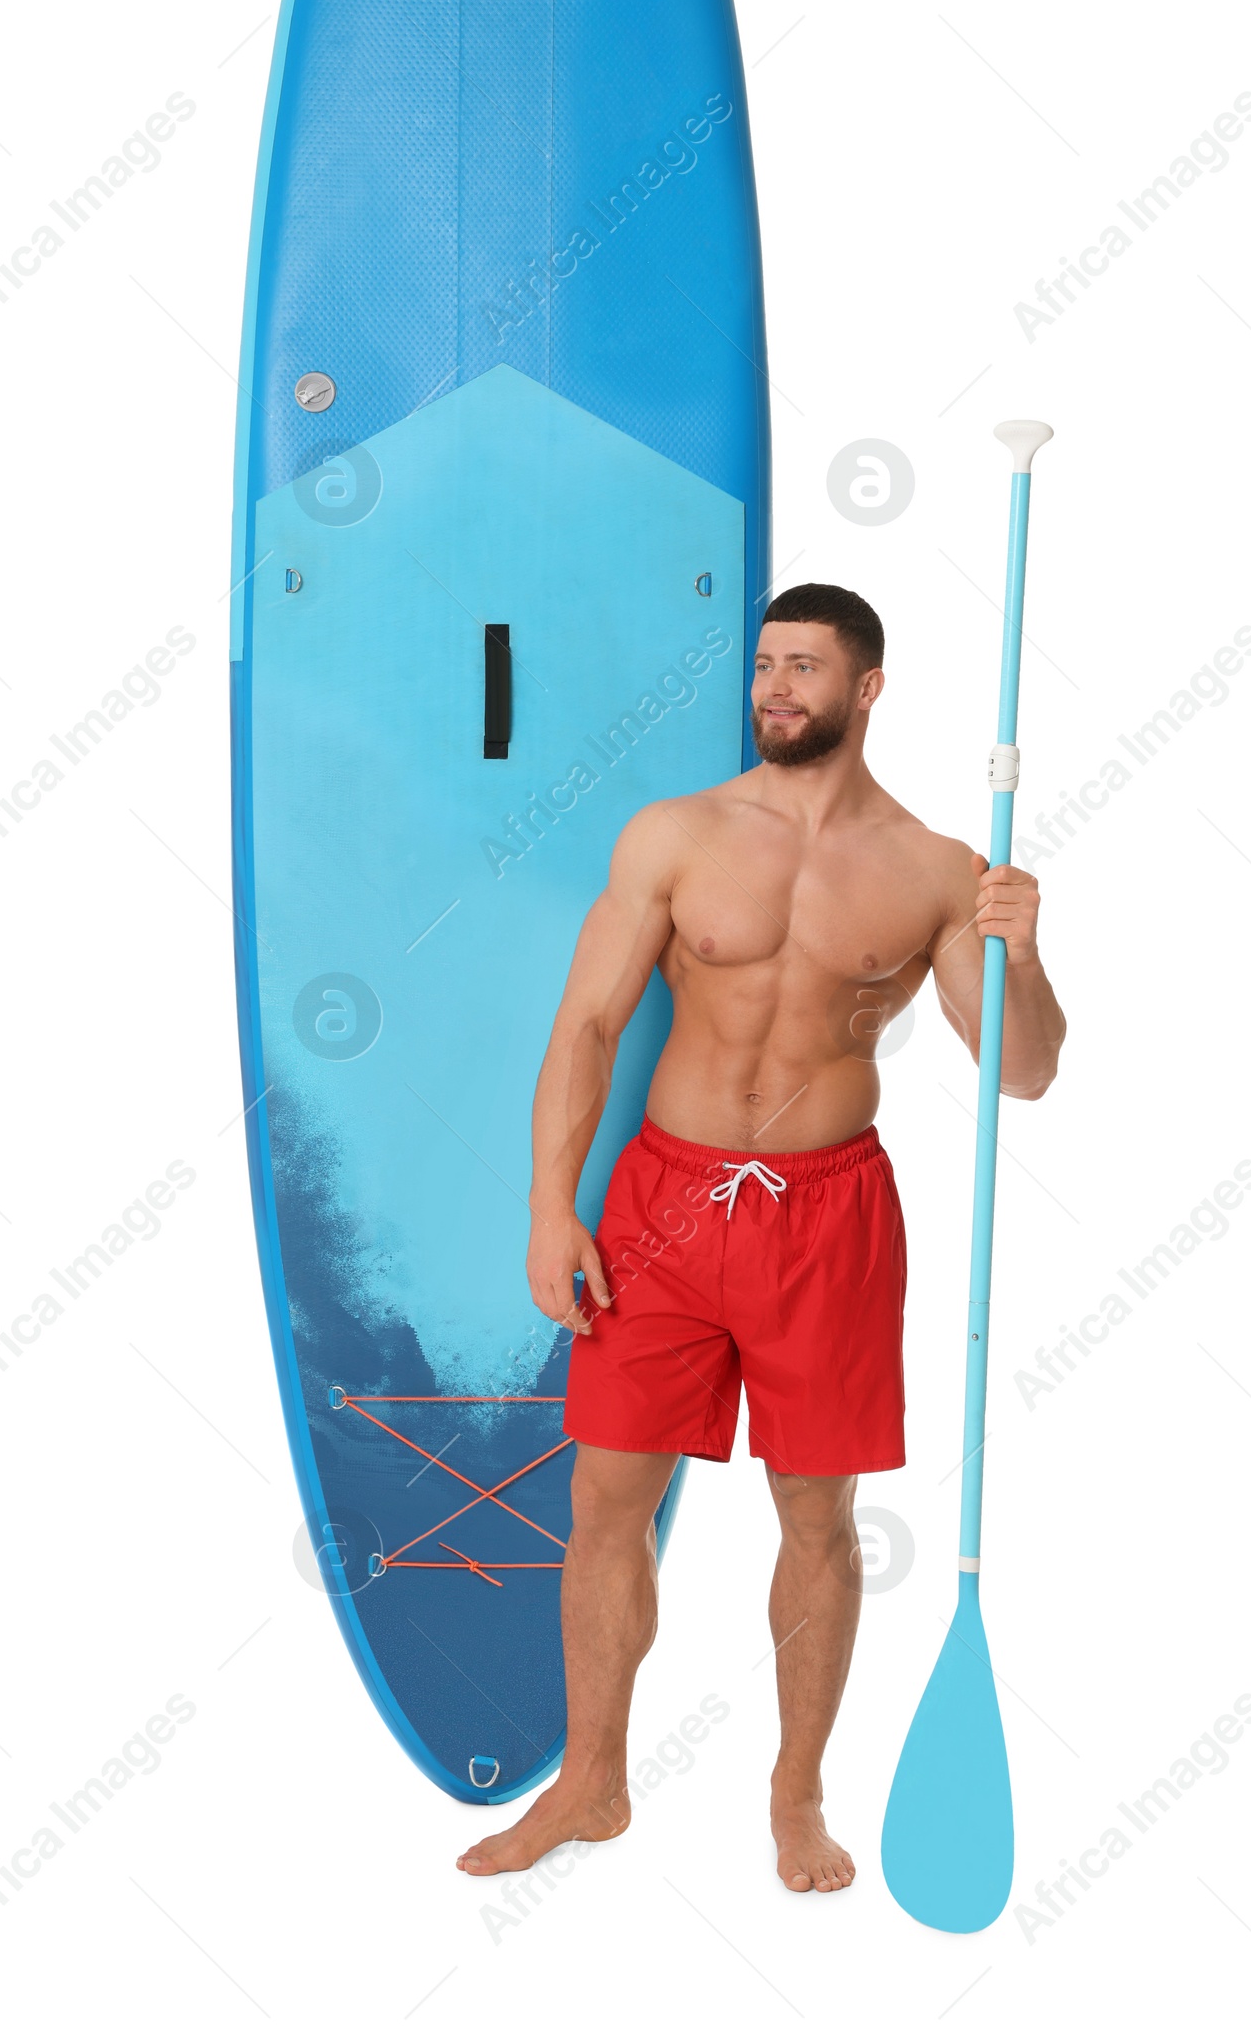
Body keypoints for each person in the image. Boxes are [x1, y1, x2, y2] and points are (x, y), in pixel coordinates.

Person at [457, 582, 1065, 1893]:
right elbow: (589, 1026)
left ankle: (796, 1799)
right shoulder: (677, 835)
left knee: (817, 1515)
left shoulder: (937, 869)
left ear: (869, 688)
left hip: (828, 1219)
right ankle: (593, 1785)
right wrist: (550, 1205)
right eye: (766, 667)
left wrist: (1027, 946)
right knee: (605, 1500)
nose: (776, 688)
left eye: (805, 668)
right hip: (662, 1209)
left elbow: (1024, 1073)